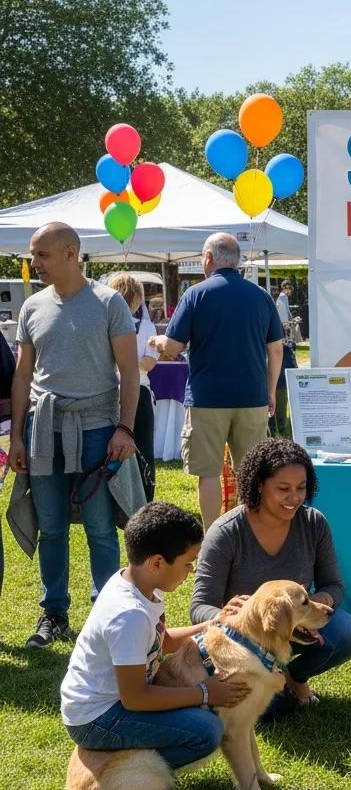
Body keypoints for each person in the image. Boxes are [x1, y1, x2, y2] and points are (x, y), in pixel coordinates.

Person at [10, 223, 140, 649]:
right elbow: (22, 374)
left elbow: (129, 372)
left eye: (41, 255)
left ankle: (105, 616)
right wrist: (17, 436)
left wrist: (124, 428)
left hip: (98, 428)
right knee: (51, 526)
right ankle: (54, 613)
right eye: (33, 254)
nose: (34, 263)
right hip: (43, 428)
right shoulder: (32, 307)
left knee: (101, 527)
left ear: (70, 253)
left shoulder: (108, 302)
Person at [61, 502, 249, 769]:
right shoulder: (129, 615)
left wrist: (214, 623)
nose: (190, 570)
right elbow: (135, 697)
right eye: (187, 563)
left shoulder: (140, 584)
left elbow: (163, 641)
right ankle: (128, 775)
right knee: (205, 731)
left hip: (112, 705)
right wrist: (205, 693)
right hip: (96, 719)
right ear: (157, 563)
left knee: (200, 717)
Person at [189, 438, 351, 719]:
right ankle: (277, 682)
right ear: (259, 485)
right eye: (283, 489)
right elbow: (199, 607)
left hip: (293, 625)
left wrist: (313, 603)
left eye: (301, 488)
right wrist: (225, 615)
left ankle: (294, 677)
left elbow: (334, 585)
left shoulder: (314, 523)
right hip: (244, 641)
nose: (294, 498)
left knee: (349, 633)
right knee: (275, 711)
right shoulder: (225, 533)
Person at [149, 233, 284, 530]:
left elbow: (173, 347)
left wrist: (158, 341)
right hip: (252, 397)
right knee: (251, 474)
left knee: (208, 473)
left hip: (207, 398)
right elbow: (276, 349)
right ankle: (250, 536)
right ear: (237, 261)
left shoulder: (195, 294)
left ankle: (213, 540)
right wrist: (270, 391)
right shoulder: (261, 296)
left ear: (209, 258)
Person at [107, 273, 159, 501]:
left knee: (141, 449)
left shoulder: (145, 326)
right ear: (137, 299)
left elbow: (149, 362)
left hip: (124, 389)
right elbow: (149, 363)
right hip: (130, 389)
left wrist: (124, 363)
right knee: (142, 449)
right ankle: (141, 498)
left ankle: (141, 497)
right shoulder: (145, 327)